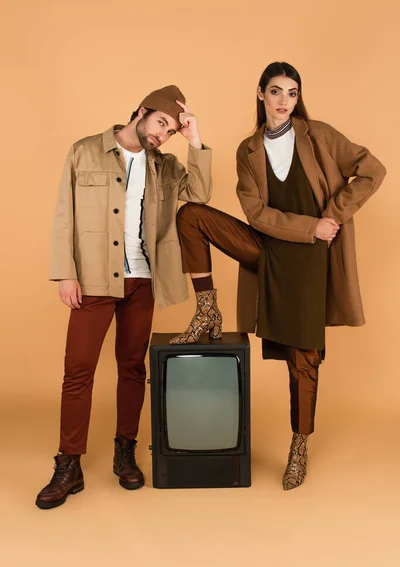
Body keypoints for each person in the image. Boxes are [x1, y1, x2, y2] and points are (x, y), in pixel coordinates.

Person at [170, 62, 386, 491]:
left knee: (302, 359)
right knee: (191, 215)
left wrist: (331, 219)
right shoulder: (247, 150)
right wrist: (309, 226)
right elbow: (255, 214)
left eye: (291, 92)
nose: (284, 100)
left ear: (297, 97)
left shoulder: (318, 134)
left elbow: (372, 170)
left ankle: (299, 445)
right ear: (260, 94)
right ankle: (206, 311)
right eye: (275, 91)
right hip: (267, 248)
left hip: (310, 260)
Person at [36, 85, 212, 509]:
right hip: (95, 280)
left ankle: (124, 451)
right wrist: (66, 273)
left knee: (132, 368)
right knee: (78, 371)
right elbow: (65, 214)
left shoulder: (167, 166)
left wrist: (195, 140)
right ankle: (68, 464)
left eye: (170, 130)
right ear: (141, 111)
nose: (162, 134)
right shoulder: (85, 152)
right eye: (161, 124)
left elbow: (200, 194)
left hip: (143, 281)